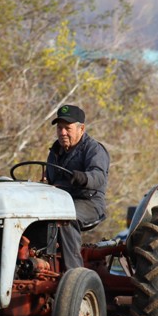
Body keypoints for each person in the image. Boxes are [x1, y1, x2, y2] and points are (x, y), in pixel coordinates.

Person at [44, 104, 110, 269]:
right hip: (61, 202)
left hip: (88, 201)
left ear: (81, 128)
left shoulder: (94, 149)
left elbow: (99, 176)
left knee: (65, 219)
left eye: (67, 128)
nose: (63, 132)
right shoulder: (55, 151)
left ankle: (74, 274)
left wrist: (83, 177)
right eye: (59, 128)